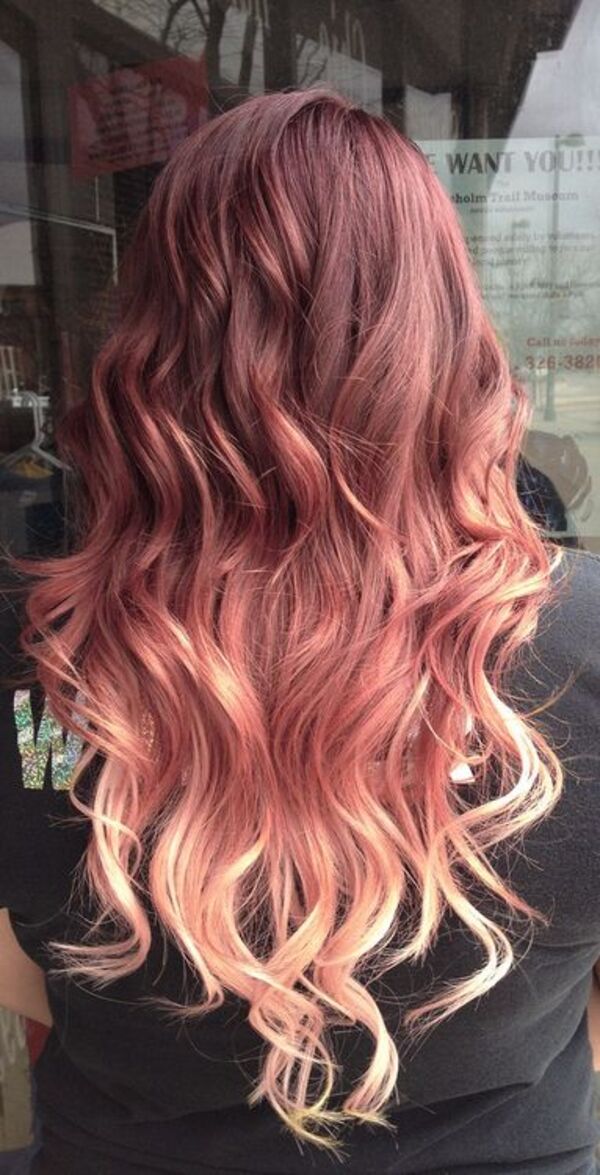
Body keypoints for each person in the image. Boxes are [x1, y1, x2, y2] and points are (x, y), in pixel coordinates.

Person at [0, 86, 599, 1175]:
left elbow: (29, 956)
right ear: (444, 334)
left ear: (154, 344)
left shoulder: (39, 662)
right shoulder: (580, 644)